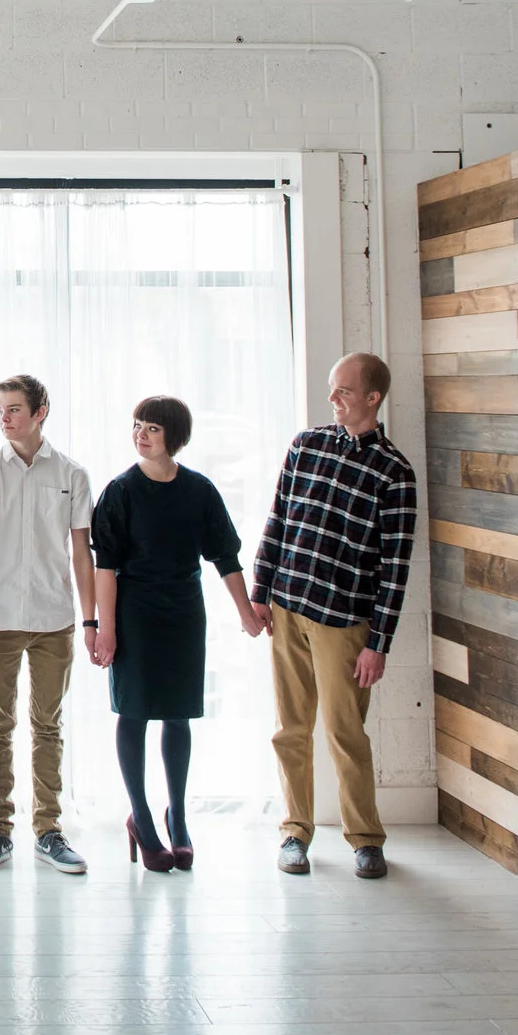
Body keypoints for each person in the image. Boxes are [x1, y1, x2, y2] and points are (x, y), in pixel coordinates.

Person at [250, 351, 417, 881]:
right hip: (288, 606)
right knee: (289, 729)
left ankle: (366, 839)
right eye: (331, 389)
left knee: (346, 733)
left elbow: (395, 567)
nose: (333, 399)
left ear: (372, 397)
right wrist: (261, 588)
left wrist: (379, 643)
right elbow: (278, 517)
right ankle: (294, 832)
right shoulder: (306, 445)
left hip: (345, 624)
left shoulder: (395, 473)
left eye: (343, 391)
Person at [88, 395, 262, 874]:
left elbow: (224, 557)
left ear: (174, 437)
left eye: (152, 429)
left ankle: (178, 817)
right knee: (135, 711)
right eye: (137, 425)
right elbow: (105, 565)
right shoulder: (120, 490)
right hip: (135, 611)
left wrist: (246, 613)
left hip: (185, 611)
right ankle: (141, 818)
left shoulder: (199, 490)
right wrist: (106, 628)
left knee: (179, 714)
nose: (140, 435)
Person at [0, 373, 95, 877]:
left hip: (53, 619)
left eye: (15, 409)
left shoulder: (72, 474)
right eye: (0, 409)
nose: (5, 418)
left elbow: (81, 553)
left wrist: (90, 620)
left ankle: (48, 830)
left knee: (48, 726)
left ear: (41, 412)